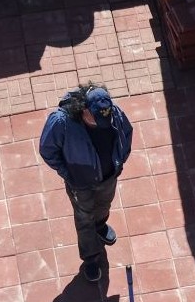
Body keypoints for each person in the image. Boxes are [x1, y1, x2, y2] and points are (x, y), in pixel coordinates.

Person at [37, 83, 133, 283]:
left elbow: (126, 133)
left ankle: (100, 225)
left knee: (104, 206)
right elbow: (47, 150)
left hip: (108, 177)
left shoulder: (111, 112)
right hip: (80, 184)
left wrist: (120, 160)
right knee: (84, 219)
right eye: (96, 119)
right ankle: (91, 258)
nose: (102, 123)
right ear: (84, 110)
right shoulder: (62, 122)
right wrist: (68, 173)